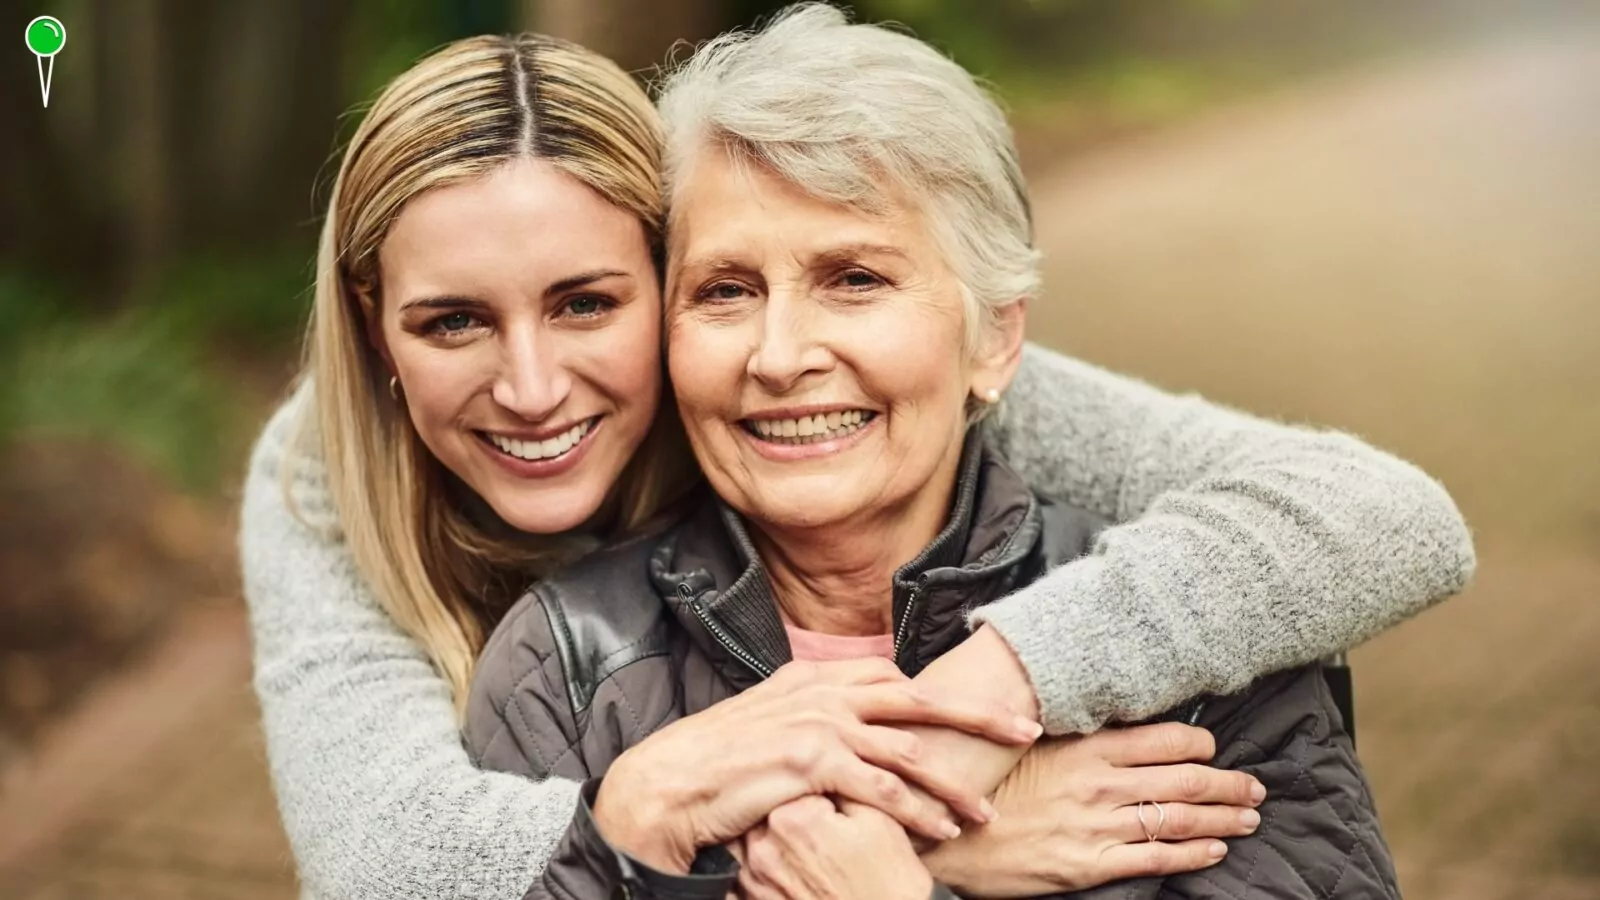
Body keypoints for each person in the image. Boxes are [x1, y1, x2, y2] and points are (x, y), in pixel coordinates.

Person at [237, 16, 1473, 900]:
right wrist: (915, 841)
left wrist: (979, 704)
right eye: (452, 321)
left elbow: (1378, 513)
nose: (530, 385)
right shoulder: (357, 511)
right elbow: (384, 866)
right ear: (373, 334)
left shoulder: (946, 397)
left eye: (586, 303)